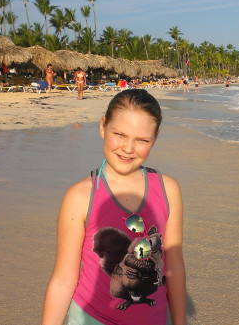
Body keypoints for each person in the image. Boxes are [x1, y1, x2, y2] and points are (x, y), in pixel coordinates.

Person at [42, 89, 186, 325]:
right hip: (91, 318)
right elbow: (63, 279)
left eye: (142, 140)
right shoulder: (79, 197)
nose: (128, 148)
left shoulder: (168, 190)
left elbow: (175, 268)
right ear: (103, 127)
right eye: (119, 134)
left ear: (155, 138)